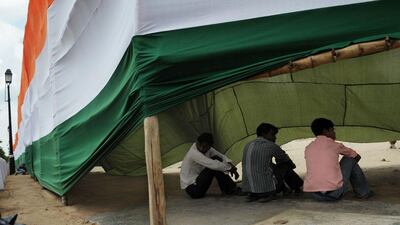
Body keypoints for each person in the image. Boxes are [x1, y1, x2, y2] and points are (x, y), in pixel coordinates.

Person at [303, 118, 373, 201]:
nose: (334, 133)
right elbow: (357, 156)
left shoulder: (308, 147)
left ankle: (325, 187)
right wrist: (345, 170)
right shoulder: (335, 145)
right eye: (332, 130)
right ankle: (364, 192)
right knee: (350, 158)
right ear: (326, 131)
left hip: (314, 194)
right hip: (333, 194)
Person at [242, 123, 303, 202]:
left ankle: (257, 194)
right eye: (273, 134)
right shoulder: (270, 145)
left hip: (249, 189)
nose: (275, 137)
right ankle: (296, 187)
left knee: (269, 166)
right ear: (264, 134)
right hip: (266, 190)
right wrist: (290, 165)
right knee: (285, 165)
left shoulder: (248, 145)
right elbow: (285, 159)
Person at [180, 133, 240, 199]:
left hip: (197, 183)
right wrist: (230, 168)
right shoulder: (194, 153)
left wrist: (231, 165)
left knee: (216, 159)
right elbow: (213, 165)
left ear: (210, 146)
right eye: (200, 145)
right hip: (193, 189)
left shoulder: (209, 149)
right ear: (197, 142)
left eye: (205, 147)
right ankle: (230, 189)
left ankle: (230, 189)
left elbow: (221, 156)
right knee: (213, 166)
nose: (202, 148)